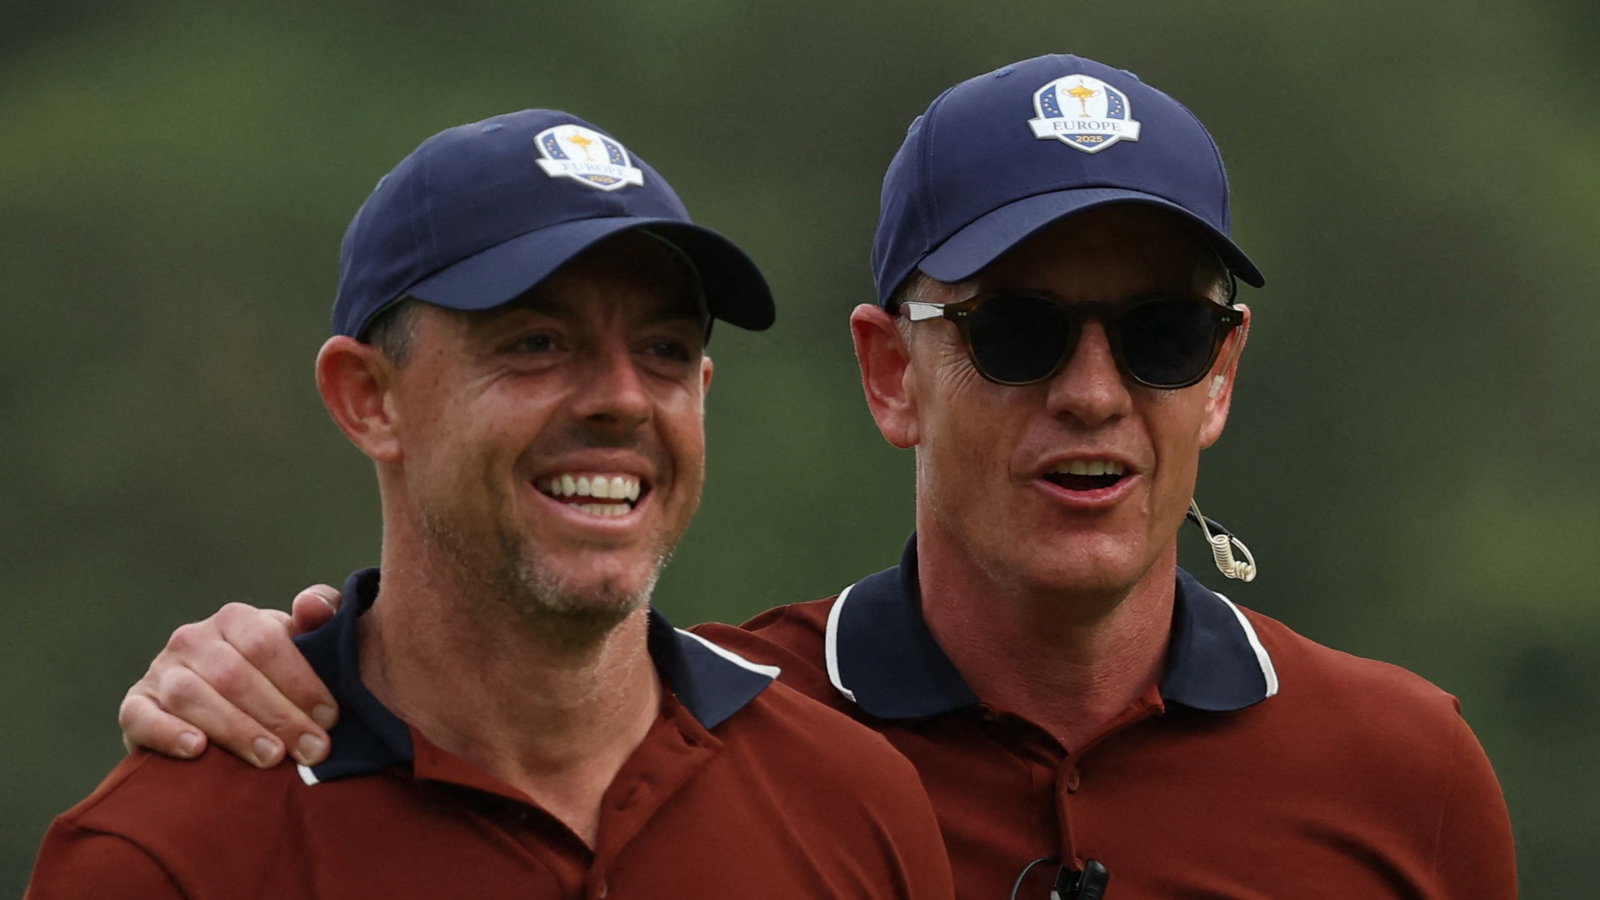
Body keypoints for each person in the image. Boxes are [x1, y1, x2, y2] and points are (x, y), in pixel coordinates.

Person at [113, 55, 1518, 898]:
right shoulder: (724, 747)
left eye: (1161, 334)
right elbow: (473, 680)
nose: (1093, 393)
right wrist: (283, 668)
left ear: (1220, 374)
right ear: (892, 372)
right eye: (1017, 332)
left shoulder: (1404, 772)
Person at [26, 109, 955, 899]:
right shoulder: (165, 858)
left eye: (664, 351)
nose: (622, 399)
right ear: (368, 398)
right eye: (536, 342)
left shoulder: (852, 798)